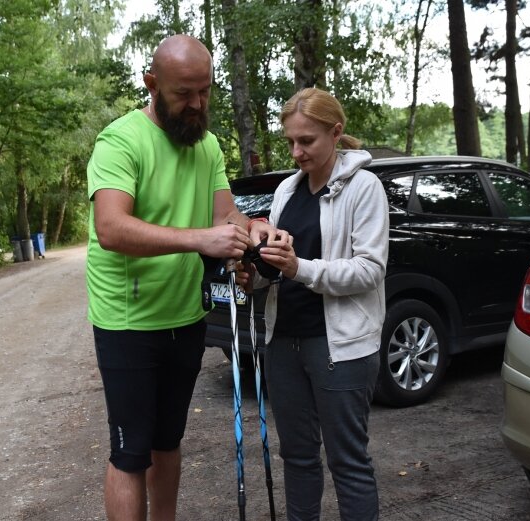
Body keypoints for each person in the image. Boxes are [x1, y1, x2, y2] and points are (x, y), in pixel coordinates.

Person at [85, 35, 284, 521]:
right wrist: (200, 239)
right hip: (127, 321)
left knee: (168, 441)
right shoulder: (121, 140)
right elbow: (110, 228)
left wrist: (255, 231)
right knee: (131, 452)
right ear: (152, 84)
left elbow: (226, 215)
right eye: (184, 94)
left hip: (184, 315)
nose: (197, 104)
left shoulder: (208, 144)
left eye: (205, 92)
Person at [247, 87, 389, 520]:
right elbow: (276, 267)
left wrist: (298, 269)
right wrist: (255, 272)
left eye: (306, 141)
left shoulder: (364, 188)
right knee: (298, 457)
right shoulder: (287, 191)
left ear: (336, 132)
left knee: (347, 462)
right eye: (290, 141)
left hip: (340, 347)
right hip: (284, 342)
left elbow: (369, 269)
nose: (296, 152)